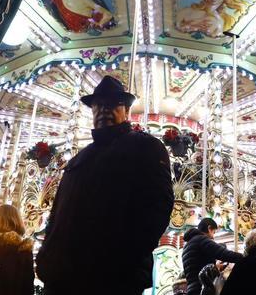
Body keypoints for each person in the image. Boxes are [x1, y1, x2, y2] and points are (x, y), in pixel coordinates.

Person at [36, 75, 174, 294]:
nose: (103, 110)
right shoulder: (78, 160)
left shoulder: (145, 147)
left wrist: (124, 257)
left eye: (111, 104)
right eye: (98, 105)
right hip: (62, 276)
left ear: (126, 111)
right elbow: (57, 214)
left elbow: (158, 206)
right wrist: (46, 256)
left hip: (110, 277)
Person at [182, 218, 244, 295]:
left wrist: (216, 267)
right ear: (209, 228)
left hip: (192, 288)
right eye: (214, 232)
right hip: (203, 287)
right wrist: (244, 258)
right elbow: (223, 254)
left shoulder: (187, 245)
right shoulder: (201, 239)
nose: (213, 236)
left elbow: (197, 266)